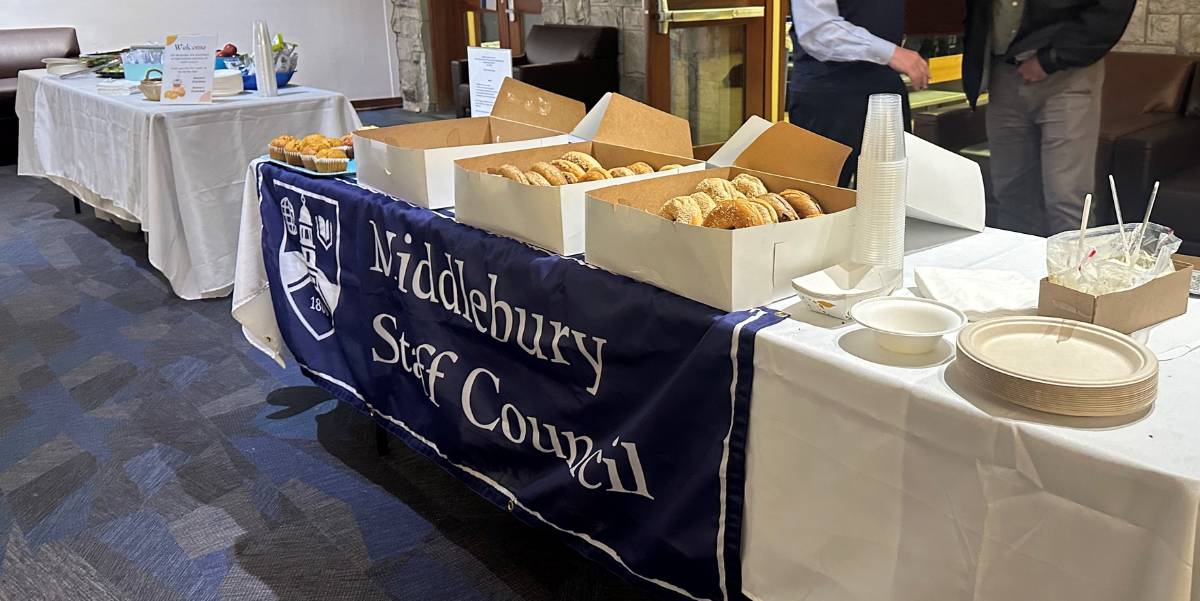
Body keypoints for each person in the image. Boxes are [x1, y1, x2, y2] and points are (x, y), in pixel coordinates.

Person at [963, 0, 1135, 236]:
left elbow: (1111, 10)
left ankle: (1073, 271)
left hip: (1066, 74)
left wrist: (1051, 59)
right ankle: (1017, 270)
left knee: (1067, 196)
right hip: (1003, 70)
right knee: (1011, 191)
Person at [788, 0, 929, 186]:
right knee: (820, 200)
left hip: (885, 90)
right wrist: (891, 53)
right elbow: (817, 30)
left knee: (890, 198)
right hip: (828, 94)